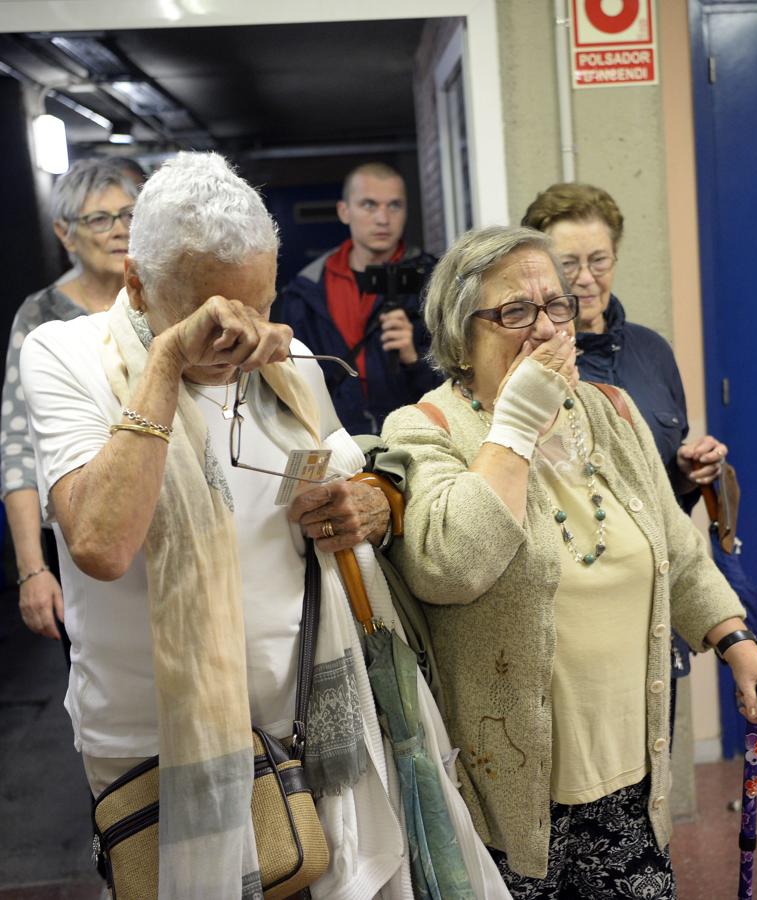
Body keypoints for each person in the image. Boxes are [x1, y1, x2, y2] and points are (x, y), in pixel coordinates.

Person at [19, 152, 507, 900]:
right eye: (213, 320)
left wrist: (370, 503)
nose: (244, 340)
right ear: (138, 285)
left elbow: (355, 477)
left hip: (315, 725)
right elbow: (100, 544)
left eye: (260, 306)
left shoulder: (291, 361)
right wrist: (167, 362)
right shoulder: (66, 354)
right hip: (157, 746)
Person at [381, 226, 757, 898]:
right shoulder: (426, 429)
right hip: (510, 798)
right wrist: (516, 420)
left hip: (631, 778)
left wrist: (736, 643)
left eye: (556, 307)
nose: (545, 329)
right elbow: (452, 566)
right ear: (462, 334)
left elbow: (681, 555)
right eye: (516, 311)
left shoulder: (612, 413)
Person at [522, 182, 728, 699]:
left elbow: (659, 483)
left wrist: (687, 469)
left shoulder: (651, 350)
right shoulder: (529, 361)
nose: (586, 279)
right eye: (568, 265)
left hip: (657, 604)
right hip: (575, 612)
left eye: (599, 260)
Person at [1, 159, 139, 650]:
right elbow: (17, 445)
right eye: (99, 219)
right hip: (78, 533)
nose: (120, 230)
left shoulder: (160, 295)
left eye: (129, 214)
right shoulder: (41, 315)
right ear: (65, 232)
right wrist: (32, 569)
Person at [279, 161, 440, 434]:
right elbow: (290, 381)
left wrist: (415, 359)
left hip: (415, 436)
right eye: (369, 205)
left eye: (394, 206)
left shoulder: (434, 281)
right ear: (344, 211)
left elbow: (464, 382)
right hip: (335, 440)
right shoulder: (307, 289)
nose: (382, 218)